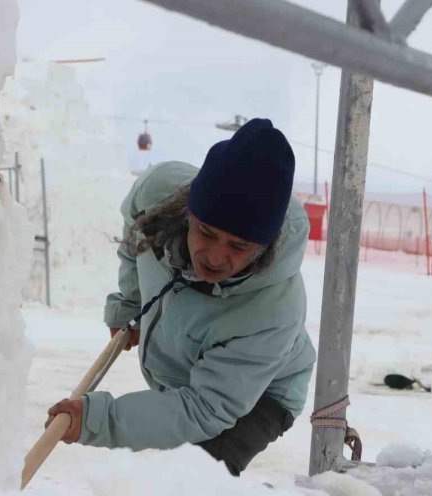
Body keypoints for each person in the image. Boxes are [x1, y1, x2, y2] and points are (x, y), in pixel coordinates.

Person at [45, 118, 316, 476]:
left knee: (191, 484)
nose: (216, 257)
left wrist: (98, 419)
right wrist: (130, 304)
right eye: (206, 232)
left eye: (239, 246)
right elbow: (134, 239)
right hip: (182, 365)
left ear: (264, 248)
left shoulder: (273, 310)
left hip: (259, 392)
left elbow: (204, 408)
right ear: (188, 212)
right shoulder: (156, 195)